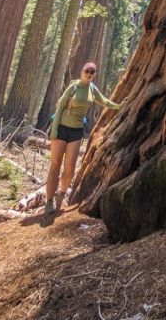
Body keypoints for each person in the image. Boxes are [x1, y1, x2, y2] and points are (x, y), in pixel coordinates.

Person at [44, 61, 120, 215]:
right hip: (61, 129)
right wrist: (54, 130)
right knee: (55, 163)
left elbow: (104, 101)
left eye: (92, 72)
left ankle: (62, 194)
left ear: (94, 75)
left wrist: (119, 106)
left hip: (77, 131)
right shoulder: (73, 87)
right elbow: (59, 109)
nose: (89, 74)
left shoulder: (92, 89)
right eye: (87, 71)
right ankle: (49, 201)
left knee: (70, 167)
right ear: (82, 72)